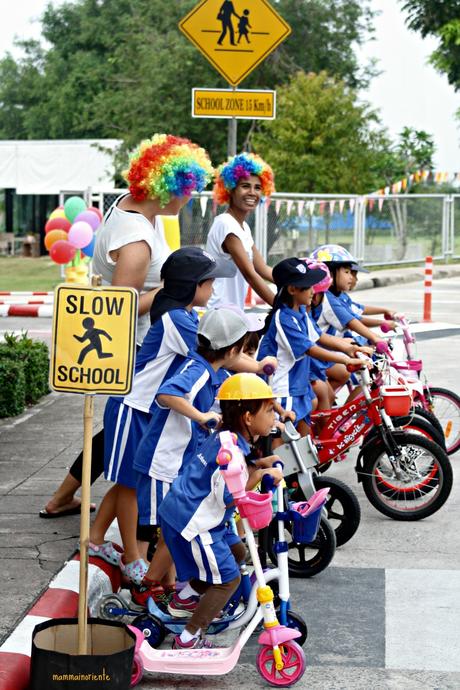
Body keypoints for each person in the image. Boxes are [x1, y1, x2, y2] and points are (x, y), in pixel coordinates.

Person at [40, 135, 213, 518]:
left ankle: (62, 498)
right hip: (138, 349)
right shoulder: (136, 238)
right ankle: (129, 516)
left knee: (115, 431)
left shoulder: (131, 212)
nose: (188, 198)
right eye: (186, 190)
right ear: (167, 188)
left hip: (140, 346)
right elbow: (120, 307)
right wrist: (172, 288)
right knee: (130, 433)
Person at [86, 247, 234, 583]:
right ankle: (132, 555)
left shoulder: (181, 315)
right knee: (132, 486)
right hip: (132, 407)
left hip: (141, 410)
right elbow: (215, 355)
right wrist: (248, 363)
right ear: (191, 285)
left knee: (128, 482)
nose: (212, 289)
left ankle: (95, 539)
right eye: (209, 282)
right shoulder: (178, 320)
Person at [130, 307, 258, 607]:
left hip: (179, 461)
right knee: (174, 527)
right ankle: (149, 586)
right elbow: (166, 394)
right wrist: (202, 416)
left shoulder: (213, 372)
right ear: (234, 349)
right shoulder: (198, 370)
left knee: (175, 528)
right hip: (163, 462)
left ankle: (168, 584)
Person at [158, 373, 283, 649]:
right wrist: (261, 475)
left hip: (186, 512)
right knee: (229, 579)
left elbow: (233, 471)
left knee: (237, 552)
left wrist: (261, 463)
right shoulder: (232, 451)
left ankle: (186, 598)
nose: (274, 417)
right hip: (195, 522)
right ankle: (189, 638)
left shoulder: (228, 438)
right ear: (249, 417)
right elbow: (230, 497)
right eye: (269, 411)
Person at [258, 258, 364, 441]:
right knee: (281, 440)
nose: (314, 291)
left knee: (304, 440)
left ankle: (306, 466)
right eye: (308, 287)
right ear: (292, 290)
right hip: (284, 389)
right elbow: (310, 349)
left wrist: (349, 348)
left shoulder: (300, 312)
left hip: (298, 385)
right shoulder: (283, 318)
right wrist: (346, 360)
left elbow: (320, 336)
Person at [206, 152, 276, 309]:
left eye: (257, 187)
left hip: (232, 311)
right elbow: (251, 275)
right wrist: (281, 306)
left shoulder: (243, 227)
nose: (252, 192)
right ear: (230, 189)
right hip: (218, 312)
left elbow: (263, 269)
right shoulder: (226, 225)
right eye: (245, 186)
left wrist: (297, 284)